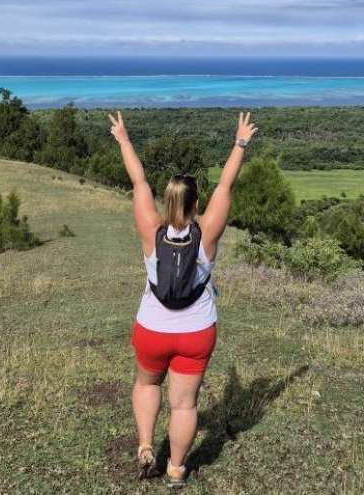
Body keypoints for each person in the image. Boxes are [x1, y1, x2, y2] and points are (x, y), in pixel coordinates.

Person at [109, 110, 258, 488]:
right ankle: (176, 469)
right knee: (185, 404)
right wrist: (240, 143)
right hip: (196, 331)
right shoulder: (207, 232)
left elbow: (138, 180)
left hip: (152, 328)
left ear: (168, 200)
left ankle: (146, 447)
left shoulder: (151, 229)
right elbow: (226, 185)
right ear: (196, 204)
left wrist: (124, 139)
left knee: (147, 385)